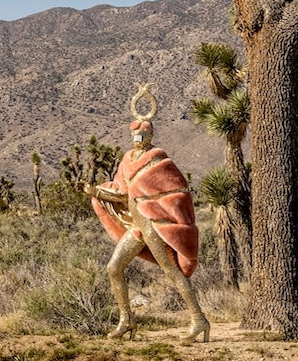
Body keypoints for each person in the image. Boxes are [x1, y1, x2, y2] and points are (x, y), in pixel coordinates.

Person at [85, 83, 210, 344]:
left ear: (150, 135)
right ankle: (126, 319)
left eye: (142, 135)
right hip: (136, 227)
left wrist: (156, 208)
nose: (137, 139)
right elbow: (122, 193)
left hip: (153, 225)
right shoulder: (127, 159)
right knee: (113, 268)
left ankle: (199, 320)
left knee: (173, 273)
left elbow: (176, 192)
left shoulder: (159, 160)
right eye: (135, 135)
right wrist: (96, 191)